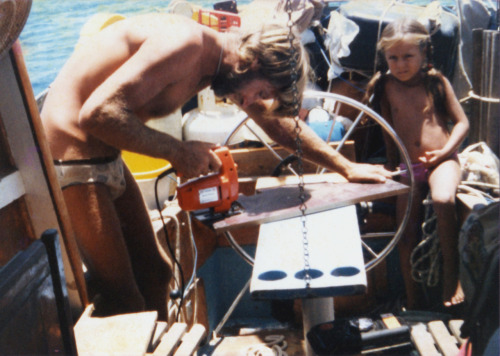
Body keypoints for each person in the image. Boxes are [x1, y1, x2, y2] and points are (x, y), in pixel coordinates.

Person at [41, 13, 391, 319]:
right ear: (252, 61)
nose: (253, 102)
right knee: (124, 296)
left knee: (157, 273)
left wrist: (345, 166)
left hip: (107, 155)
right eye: (262, 91)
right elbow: (98, 114)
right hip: (72, 156)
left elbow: (277, 123)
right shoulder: (185, 46)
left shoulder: (225, 68)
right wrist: (179, 152)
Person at [365, 18, 469, 309]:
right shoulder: (384, 86)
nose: (400, 64)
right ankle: (414, 300)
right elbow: (387, 129)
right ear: (384, 58)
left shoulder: (437, 82)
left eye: (408, 56)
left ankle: (452, 278)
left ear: (424, 53)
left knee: (443, 199)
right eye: (393, 58)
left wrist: (446, 150)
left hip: (444, 160)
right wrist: (390, 165)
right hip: (409, 167)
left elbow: (462, 122)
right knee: (405, 234)